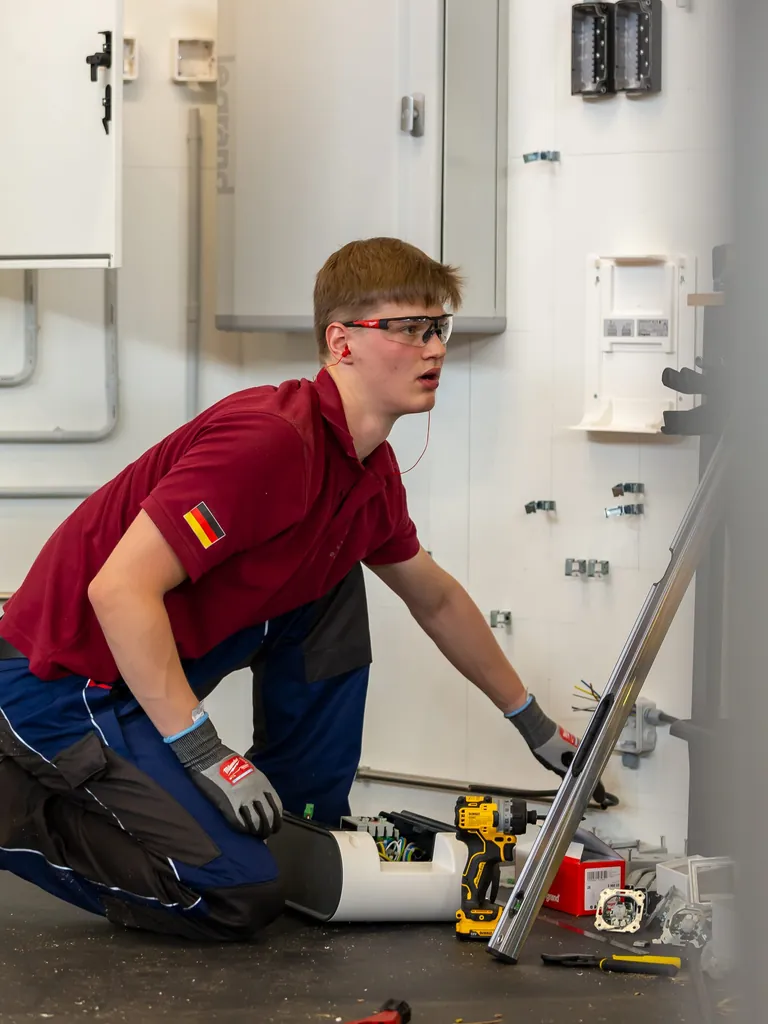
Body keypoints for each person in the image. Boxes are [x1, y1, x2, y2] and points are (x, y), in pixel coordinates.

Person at [0, 237, 601, 943]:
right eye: (409, 329)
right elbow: (120, 591)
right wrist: (205, 754)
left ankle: (299, 816)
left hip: (141, 676)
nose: (434, 348)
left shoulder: (367, 473)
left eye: (439, 329)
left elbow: (433, 597)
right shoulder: (270, 438)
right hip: (61, 686)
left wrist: (532, 725)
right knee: (236, 895)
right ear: (342, 342)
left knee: (333, 578)